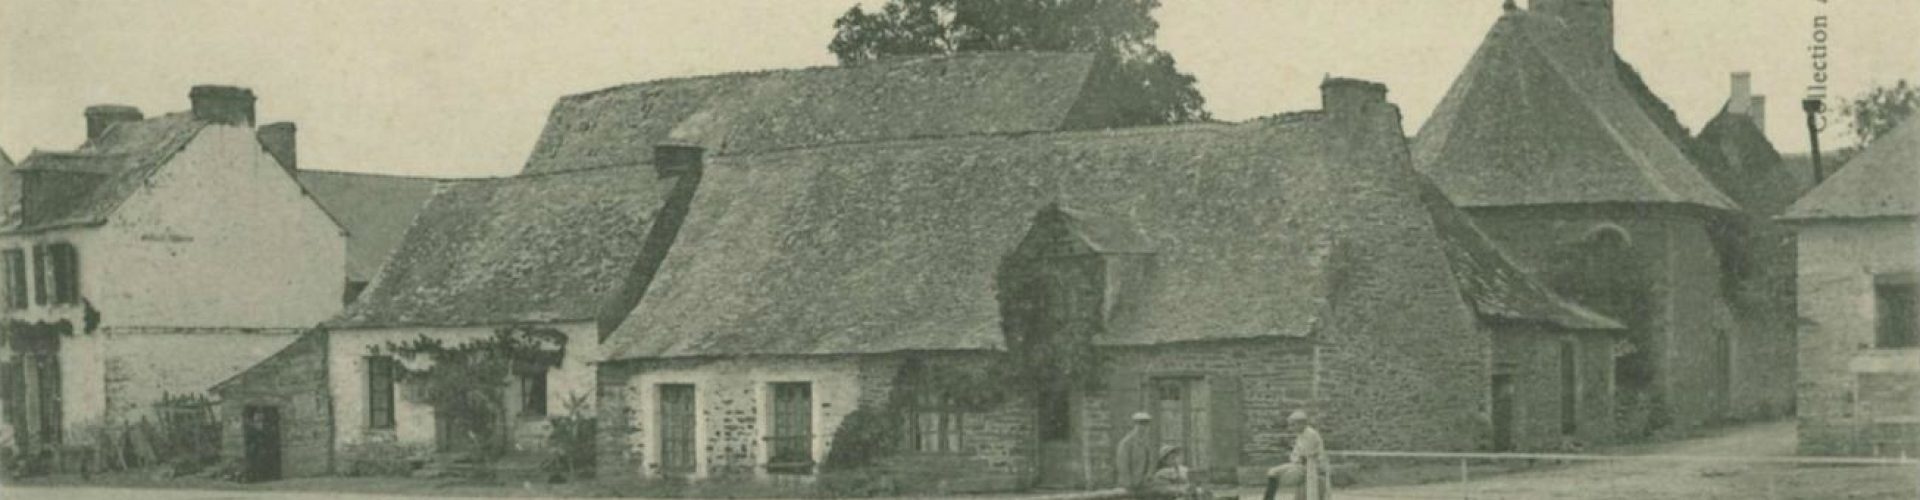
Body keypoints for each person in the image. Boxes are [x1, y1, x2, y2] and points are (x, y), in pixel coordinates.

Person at [1264, 410, 1329, 500]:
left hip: (1311, 468)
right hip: (1299, 465)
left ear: (1302, 424)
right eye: (1290, 425)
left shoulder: (1311, 434)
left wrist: (1298, 459)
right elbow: (1295, 455)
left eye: (1293, 425)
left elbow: (1307, 455)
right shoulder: (1300, 435)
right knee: (1272, 472)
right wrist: (1296, 458)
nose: (1291, 428)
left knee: (1284, 477)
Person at [1143, 445, 1213, 500]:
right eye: (1172, 458)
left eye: (1176, 457)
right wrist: (1181, 489)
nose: (1175, 460)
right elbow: (1164, 490)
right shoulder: (1161, 474)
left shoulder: (1182, 469)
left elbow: (1191, 478)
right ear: (1164, 460)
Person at [1116, 412, 1156, 492]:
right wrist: (1128, 483)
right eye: (1140, 424)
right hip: (1129, 485)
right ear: (1135, 426)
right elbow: (1123, 464)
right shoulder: (1126, 443)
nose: (1143, 428)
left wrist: (1148, 476)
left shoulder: (1147, 442)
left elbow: (1150, 462)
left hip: (1143, 483)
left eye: (1146, 425)